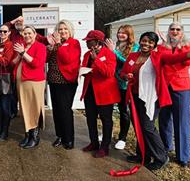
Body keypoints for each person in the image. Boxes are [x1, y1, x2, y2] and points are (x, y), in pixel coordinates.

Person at [120, 32, 190, 171]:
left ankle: (161, 157)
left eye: (150, 42)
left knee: (147, 126)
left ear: (154, 45)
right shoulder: (132, 56)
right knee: (138, 125)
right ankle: (142, 154)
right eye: (144, 41)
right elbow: (123, 73)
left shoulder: (158, 57)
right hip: (135, 96)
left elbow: (178, 58)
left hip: (150, 97)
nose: (146, 44)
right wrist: (126, 76)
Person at [157, 22, 190, 167]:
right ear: (168, 31)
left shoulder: (188, 46)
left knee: (181, 121)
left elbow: (188, 62)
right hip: (165, 87)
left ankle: (183, 156)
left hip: (181, 86)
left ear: (182, 32)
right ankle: (166, 147)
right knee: (164, 119)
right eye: (172, 29)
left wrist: (180, 46)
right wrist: (166, 45)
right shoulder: (162, 46)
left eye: (177, 30)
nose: (174, 31)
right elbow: (161, 60)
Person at [80, 30, 120, 158]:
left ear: (97, 42)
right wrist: (83, 71)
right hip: (90, 91)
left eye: (89, 41)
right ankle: (94, 142)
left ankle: (105, 147)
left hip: (105, 93)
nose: (87, 43)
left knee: (106, 120)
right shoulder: (87, 54)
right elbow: (84, 67)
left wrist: (96, 60)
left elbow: (109, 73)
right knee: (90, 119)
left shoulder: (109, 54)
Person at [47, 20, 81, 150]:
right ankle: (60, 136)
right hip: (53, 80)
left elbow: (67, 59)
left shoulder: (73, 43)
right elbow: (46, 58)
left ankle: (69, 139)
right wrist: (50, 47)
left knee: (65, 110)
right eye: (60, 29)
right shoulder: (55, 44)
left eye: (65, 29)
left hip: (66, 82)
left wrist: (58, 45)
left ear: (70, 30)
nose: (62, 31)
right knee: (56, 110)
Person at [105, 25, 139, 150]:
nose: (120, 35)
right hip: (111, 83)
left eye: (124, 33)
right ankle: (107, 133)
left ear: (129, 34)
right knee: (108, 110)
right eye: (119, 32)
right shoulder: (116, 45)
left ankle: (122, 138)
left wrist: (113, 51)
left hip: (124, 85)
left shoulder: (135, 47)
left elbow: (128, 63)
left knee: (124, 111)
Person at [12, 25, 47, 149]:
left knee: (34, 108)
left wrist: (23, 53)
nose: (27, 36)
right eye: (25, 34)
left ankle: (34, 136)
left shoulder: (40, 47)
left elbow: (37, 63)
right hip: (21, 82)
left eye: (29, 33)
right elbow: (14, 62)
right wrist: (19, 54)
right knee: (24, 109)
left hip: (34, 82)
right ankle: (27, 134)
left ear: (35, 34)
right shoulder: (23, 47)